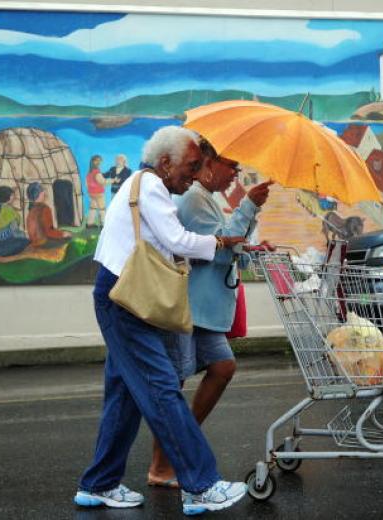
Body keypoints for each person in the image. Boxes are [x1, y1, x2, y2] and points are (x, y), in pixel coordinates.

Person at [74, 126, 248, 516]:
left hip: (120, 292)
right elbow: (178, 241)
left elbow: (164, 241)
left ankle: (98, 484)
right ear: (165, 162)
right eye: (191, 165)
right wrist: (219, 243)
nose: (195, 172)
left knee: (123, 393)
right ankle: (201, 485)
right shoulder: (151, 186)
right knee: (160, 387)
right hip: (127, 299)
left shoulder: (141, 183)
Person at [146, 137, 273, 489]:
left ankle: (179, 446)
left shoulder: (209, 200)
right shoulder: (195, 199)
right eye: (232, 166)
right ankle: (161, 464)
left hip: (205, 310)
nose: (236, 174)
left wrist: (253, 248)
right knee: (175, 385)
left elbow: (228, 244)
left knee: (222, 368)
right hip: (190, 308)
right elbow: (214, 251)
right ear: (210, 164)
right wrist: (249, 205)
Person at [0, 186, 29, 257]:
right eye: (12, 196)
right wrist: (26, 235)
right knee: (26, 241)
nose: (14, 197)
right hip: (5, 248)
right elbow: (15, 233)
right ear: (7, 198)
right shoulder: (9, 212)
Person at [25, 182, 71, 248]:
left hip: (34, 242)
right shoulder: (44, 208)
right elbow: (49, 231)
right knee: (68, 240)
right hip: (43, 242)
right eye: (43, 191)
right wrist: (63, 234)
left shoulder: (31, 209)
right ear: (40, 194)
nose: (44, 193)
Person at [86, 155, 107, 227]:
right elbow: (102, 181)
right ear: (93, 161)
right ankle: (103, 224)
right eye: (97, 160)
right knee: (102, 208)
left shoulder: (89, 172)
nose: (99, 162)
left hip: (91, 193)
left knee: (93, 208)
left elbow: (87, 184)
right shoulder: (97, 172)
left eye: (99, 160)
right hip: (99, 193)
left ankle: (89, 224)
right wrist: (112, 180)